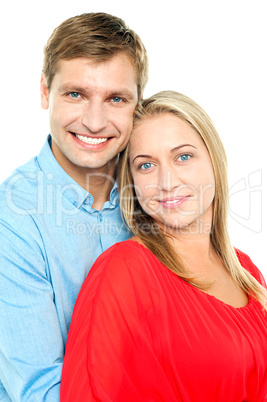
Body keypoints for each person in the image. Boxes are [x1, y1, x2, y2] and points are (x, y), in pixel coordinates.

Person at [61, 91, 267, 401]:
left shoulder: (246, 271)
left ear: (214, 158)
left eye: (183, 157)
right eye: (146, 166)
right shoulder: (124, 272)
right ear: (131, 182)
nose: (167, 181)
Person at [0, 12, 148, 401]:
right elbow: (39, 393)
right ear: (45, 91)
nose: (95, 121)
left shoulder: (155, 195)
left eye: (116, 98)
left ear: (137, 104)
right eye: (76, 94)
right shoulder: (12, 218)